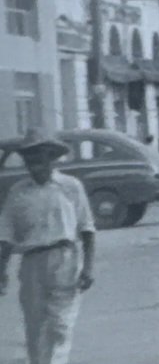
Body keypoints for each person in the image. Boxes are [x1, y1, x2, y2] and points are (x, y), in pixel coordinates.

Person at [0, 129, 96, 364]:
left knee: (60, 326)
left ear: (50, 158)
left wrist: (89, 268)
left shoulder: (71, 187)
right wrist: (1, 270)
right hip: (32, 264)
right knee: (36, 330)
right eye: (30, 160)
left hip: (65, 260)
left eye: (40, 159)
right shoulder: (18, 193)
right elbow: (6, 235)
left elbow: (87, 229)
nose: (36, 165)